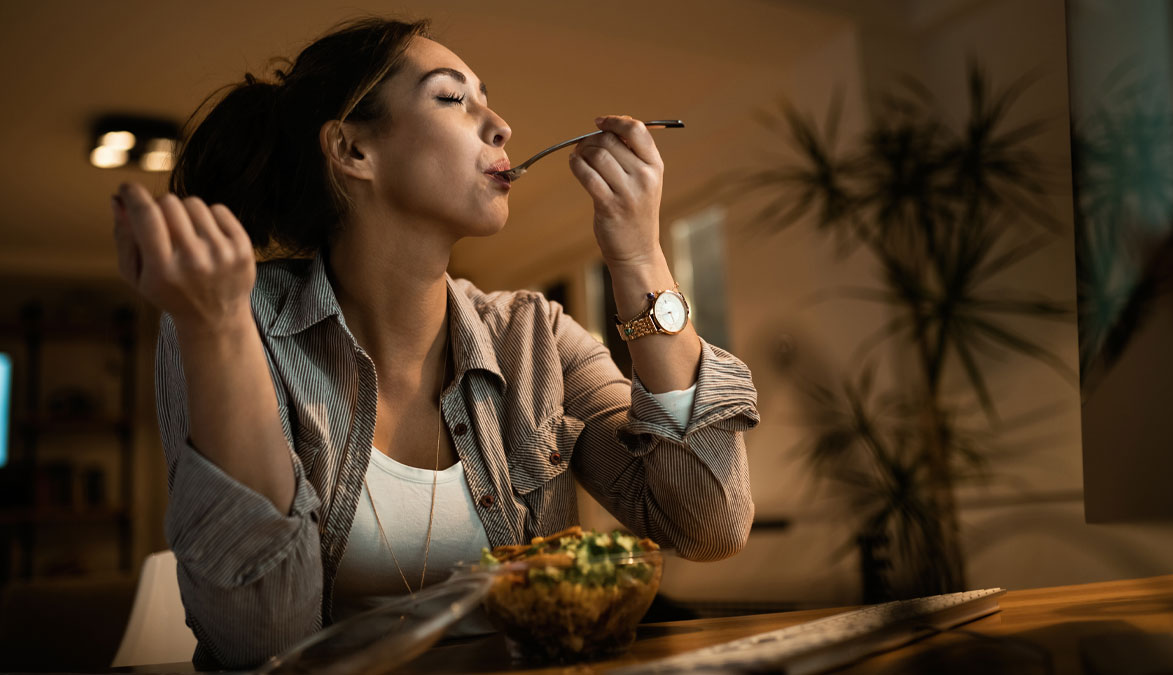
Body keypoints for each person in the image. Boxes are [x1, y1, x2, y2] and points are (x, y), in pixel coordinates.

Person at [110, 16, 759, 670]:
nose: (500, 123)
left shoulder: (536, 337)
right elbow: (262, 644)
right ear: (352, 151)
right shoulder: (230, 316)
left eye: (485, 96)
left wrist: (641, 254)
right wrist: (216, 330)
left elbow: (706, 525)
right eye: (453, 97)